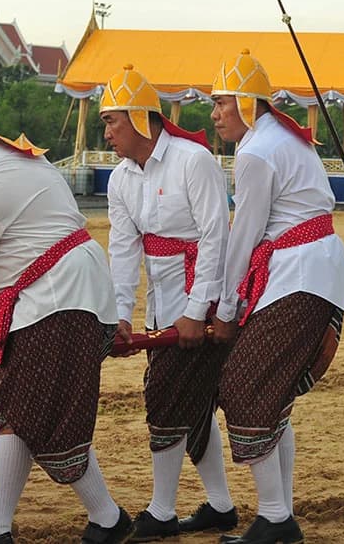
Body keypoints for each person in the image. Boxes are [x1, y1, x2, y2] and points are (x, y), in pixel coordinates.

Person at [0, 72, 132, 544]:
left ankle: (100, 519)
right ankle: (5, 528)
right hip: (77, 293)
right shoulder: (22, 156)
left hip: (53, 301)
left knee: (37, 410)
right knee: (23, 406)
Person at [209, 49, 344, 544]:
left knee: (245, 385)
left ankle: (275, 518)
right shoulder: (282, 137)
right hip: (309, 271)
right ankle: (278, 515)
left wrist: (227, 308)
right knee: (273, 392)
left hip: (298, 273)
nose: (215, 113)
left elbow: (243, 235)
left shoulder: (256, 151)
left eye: (222, 102)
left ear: (247, 103)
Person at [100, 65, 238, 539]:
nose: (107, 133)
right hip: (162, 307)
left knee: (166, 399)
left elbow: (216, 237)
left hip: (205, 302)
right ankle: (220, 505)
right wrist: (120, 314)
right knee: (192, 406)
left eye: (112, 121)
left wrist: (197, 311)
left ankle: (162, 511)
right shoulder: (120, 178)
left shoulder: (193, 161)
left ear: (141, 118)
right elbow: (123, 249)